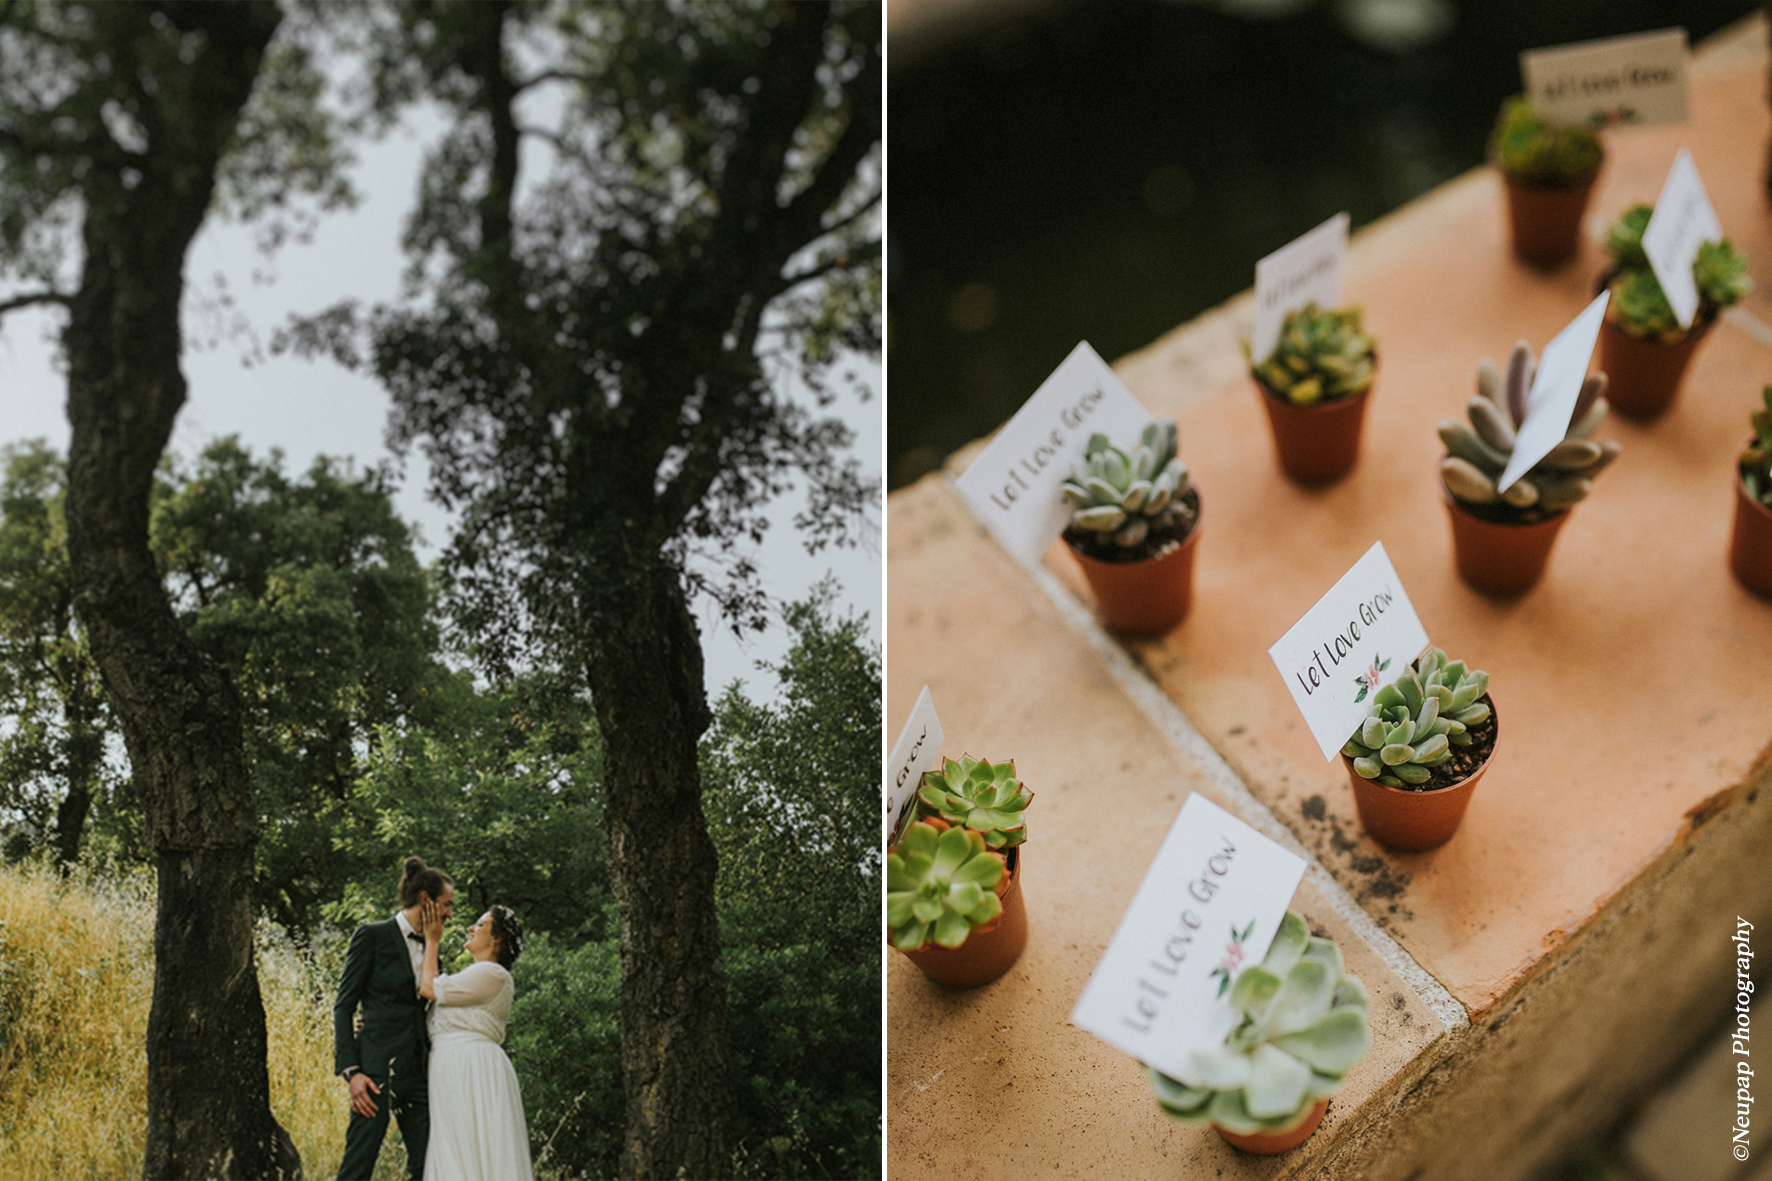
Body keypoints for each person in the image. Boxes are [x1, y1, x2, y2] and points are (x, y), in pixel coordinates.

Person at [334, 855, 455, 1181]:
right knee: (357, 1166)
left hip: (419, 1074)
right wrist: (352, 1072)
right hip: (375, 1073)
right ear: (425, 900)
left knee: (429, 1168)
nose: (449, 913)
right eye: (446, 904)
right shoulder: (371, 936)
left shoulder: (433, 947)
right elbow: (343, 1006)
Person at [417, 896, 534, 1181]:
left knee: (477, 1150)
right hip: (449, 1070)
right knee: (454, 1153)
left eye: (481, 924)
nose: (471, 927)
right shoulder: (470, 977)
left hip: (473, 1069)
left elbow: (429, 988)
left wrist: (432, 940)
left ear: (497, 940)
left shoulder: (493, 974)